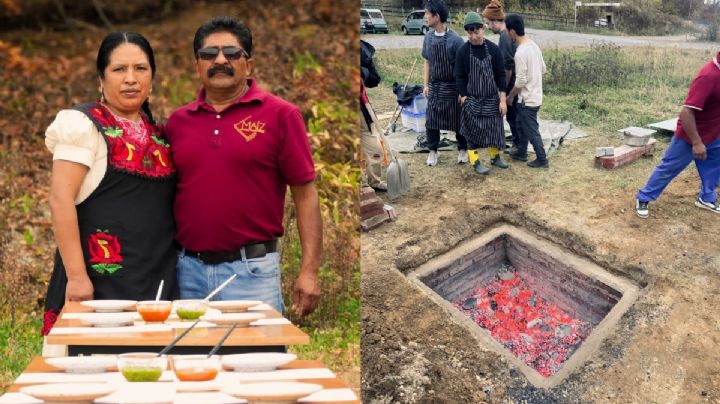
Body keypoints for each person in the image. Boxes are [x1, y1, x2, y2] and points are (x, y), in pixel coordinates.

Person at [166, 17, 322, 316]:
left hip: (252, 274)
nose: (220, 60)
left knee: (259, 362)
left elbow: (305, 194)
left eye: (231, 53)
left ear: (248, 64)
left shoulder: (280, 115)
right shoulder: (177, 123)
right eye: (209, 54)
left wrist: (309, 271)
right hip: (187, 273)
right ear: (197, 65)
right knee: (192, 362)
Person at [43, 32, 177, 335]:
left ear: (152, 79)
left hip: (157, 280)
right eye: (119, 70)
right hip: (98, 283)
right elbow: (60, 200)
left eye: (140, 69)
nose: (131, 79)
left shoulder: (160, 135)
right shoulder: (83, 125)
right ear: (101, 80)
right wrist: (77, 278)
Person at [635, 52, 720, 218]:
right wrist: (696, 143)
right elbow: (687, 112)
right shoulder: (708, 76)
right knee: (669, 168)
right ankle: (644, 197)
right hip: (691, 135)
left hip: (715, 133)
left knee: (714, 167)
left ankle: (706, 197)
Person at [455, 12, 507, 175]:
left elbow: (501, 75)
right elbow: (459, 76)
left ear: (482, 29)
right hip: (473, 99)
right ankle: (475, 160)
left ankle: (495, 157)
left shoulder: (493, 50)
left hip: (492, 97)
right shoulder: (463, 52)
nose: (473, 36)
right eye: (470, 33)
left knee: (494, 129)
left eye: (476, 32)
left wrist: (502, 100)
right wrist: (464, 96)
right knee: (472, 131)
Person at [422, 0, 467, 166]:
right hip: (435, 87)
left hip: (453, 88)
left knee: (458, 120)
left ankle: (462, 149)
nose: (425, 16)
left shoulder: (456, 40)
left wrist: (463, 93)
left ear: (437, 16)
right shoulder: (428, 38)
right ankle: (433, 151)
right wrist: (425, 84)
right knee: (431, 121)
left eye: (427, 13)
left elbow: (464, 70)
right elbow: (426, 61)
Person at [505, 14, 548, 168]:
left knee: (531, 130)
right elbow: (543, 69)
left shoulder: (520, 53)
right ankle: (521, 151)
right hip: (536, 95)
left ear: (512, 32)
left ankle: (542, 159)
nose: (507, 34)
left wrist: (510, 96)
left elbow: (521, 80)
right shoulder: (534, 46)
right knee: (520, 123)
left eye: (507, 31)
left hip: (528, 99)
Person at [483, 0, 520, 155]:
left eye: (487, 23)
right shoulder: (506, 35)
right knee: (514, 116)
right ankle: (518, 143)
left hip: (512, 84)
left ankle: (518, 147)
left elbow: (507, 68)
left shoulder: (505, 38)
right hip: (515, 83)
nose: (487, 26)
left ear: (496, 21)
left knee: (513, 116)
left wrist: (502, 90)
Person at [360, 39, 387, 192]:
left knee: (375, 150)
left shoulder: (363, 50)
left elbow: (374, 79)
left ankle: (374, 181)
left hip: (360, 108)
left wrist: (363, 73)